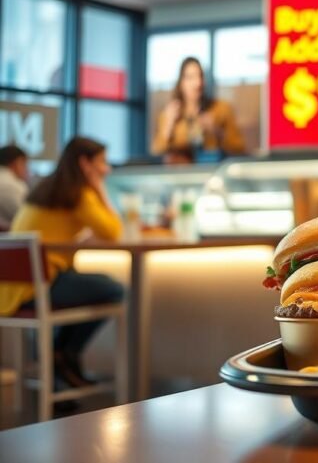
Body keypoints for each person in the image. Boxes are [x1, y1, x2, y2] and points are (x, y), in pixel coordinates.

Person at [1, 137, 125, 389]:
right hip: (41, 285)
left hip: (12, 288)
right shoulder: (79, 192)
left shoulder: (46, 188)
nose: (107, 168)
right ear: (85, 163)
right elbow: (113, 231)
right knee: (115, 290)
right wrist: (99, 188)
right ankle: (62, 354)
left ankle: (60, 361)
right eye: (102, 162)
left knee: (87, 287)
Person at [151, 57, 246, 156]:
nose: (198, 83)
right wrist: (168, 127)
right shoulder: (169, 114)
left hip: (211, 168)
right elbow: (156, 153)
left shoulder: (221, 109)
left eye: (201, 76)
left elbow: (240, 148)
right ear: (181, 83)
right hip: (181, 170)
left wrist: (216, 131)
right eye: (190, 77)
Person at [0, 144, 29, 229]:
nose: (27, 170)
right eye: (25, 164)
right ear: (16, 163)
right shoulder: (15, 186)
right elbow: (27, 218)